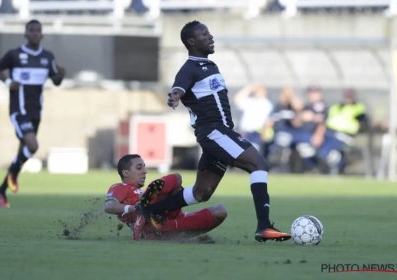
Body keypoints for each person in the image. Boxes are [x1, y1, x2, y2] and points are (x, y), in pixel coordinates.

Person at [135, 20, 291, 242]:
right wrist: (175, 96)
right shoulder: (189, 68)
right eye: (204, 34)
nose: (210, 37)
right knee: (259, 165)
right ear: (191, 41)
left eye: (209, 33)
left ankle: (148, 212)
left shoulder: (211, 66)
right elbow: (178, 86)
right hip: (214, 131)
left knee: (202, 192)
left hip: (216, 134)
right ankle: (264, 226)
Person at [0, 19, 66, 208]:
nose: (35, 33)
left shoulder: (47, 57)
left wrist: (61, 75)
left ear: (41, 35)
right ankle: (12, 174)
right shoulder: (15, 55)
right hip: (19, 110)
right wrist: (9, 82)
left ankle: (2, 190)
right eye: (31, 30)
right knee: (32, 145)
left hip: (36, 112)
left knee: (23, 151)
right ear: (26, 34)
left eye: (38, 30)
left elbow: (56, 80)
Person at [104, 154, 228, 241]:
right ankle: (144, 209)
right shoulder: (120, 187)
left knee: (220, 211)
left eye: (144, 167)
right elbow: (109, 206)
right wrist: (134, 208)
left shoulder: (139, 192)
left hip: (169, 223)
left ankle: (176, 235)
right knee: (175, 178)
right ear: (126, 173)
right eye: (139, 168)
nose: (145, 171)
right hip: (154, 225)